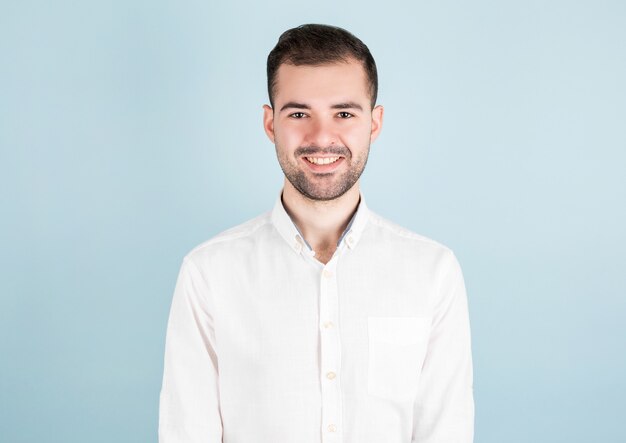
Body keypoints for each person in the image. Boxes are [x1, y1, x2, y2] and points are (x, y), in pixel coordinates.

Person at [158, 24, 474, 443]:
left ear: (374, 123)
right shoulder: (208, 274)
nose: (322, 137)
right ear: (270, 123)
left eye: (344, 113)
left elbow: (445, 431)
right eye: (299, 113)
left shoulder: (433, 272)